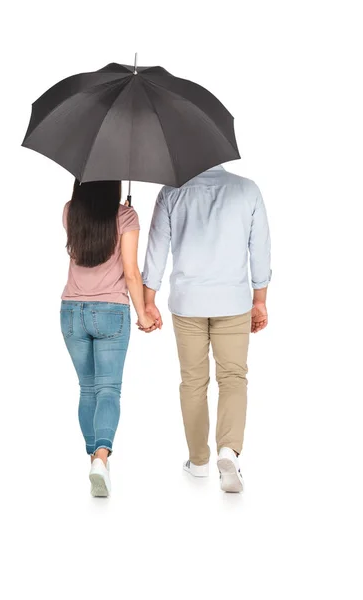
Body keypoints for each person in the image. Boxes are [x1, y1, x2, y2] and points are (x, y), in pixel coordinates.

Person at [141, 165, 271, 492]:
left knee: (193, 381)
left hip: (188, 303)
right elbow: (260, 250)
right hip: (234, 300)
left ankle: (198, 461)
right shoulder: (248, 189)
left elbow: (156, 250)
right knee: (233, 377)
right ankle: (228, 450)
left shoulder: (171, 191)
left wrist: (148, 301)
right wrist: (260, 300)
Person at [61, 180, 157, 497]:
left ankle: (94, 461)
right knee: (108, 390)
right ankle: (101, 457)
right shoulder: (126, 217)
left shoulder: (70, 211)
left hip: (71, 310)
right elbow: (131, 271)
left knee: (87, 389)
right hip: (111, 312)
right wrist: (143, 313)